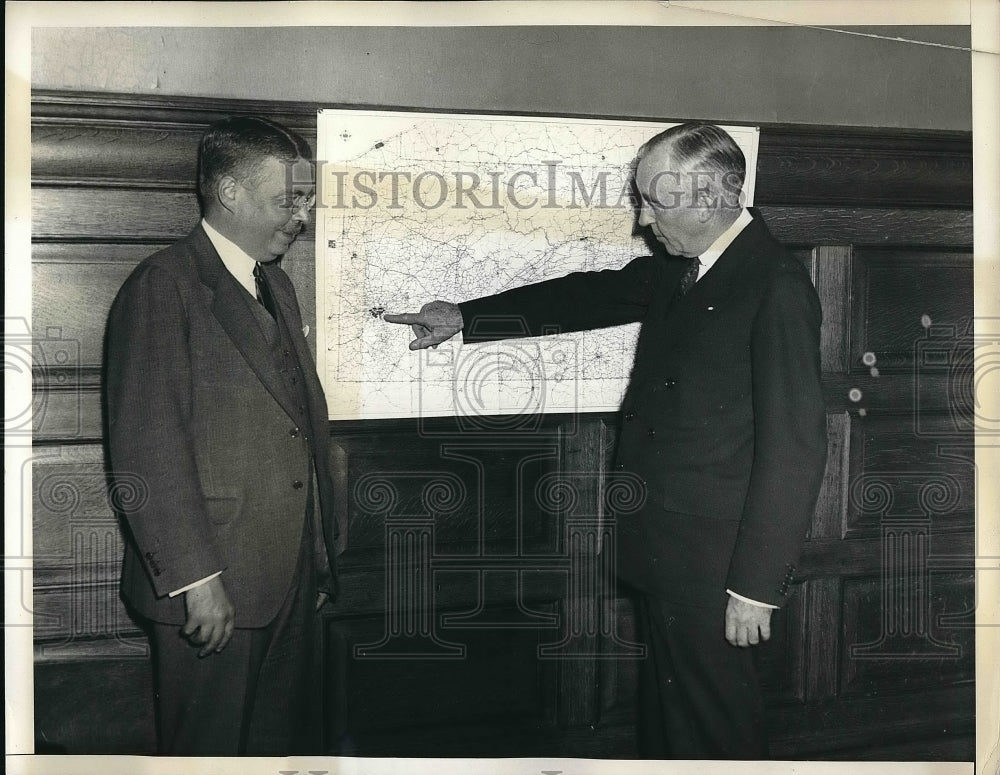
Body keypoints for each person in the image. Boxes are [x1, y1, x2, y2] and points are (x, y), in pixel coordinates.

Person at [384, 122, 828, 759]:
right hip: (668, 549)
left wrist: (755, 587)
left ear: (711, 197)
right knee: (670, 724)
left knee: (716, 731)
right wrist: (464, 317)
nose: (643, 220)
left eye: (655, 200)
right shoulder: (688, 269)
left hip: (717, 566)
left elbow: (796, 446)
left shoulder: (774, 283)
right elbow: (590, 294)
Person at [105, 116, 338, 756]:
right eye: (288, 199)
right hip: (213, 584)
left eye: (307, 198)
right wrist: (195, 580)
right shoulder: (163, 284)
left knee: (273, 750)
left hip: (286, 575)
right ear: (230, 194)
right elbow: (146, 448)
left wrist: (317, 554)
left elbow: (301, 432)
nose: (302, 216)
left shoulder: (278, 286)